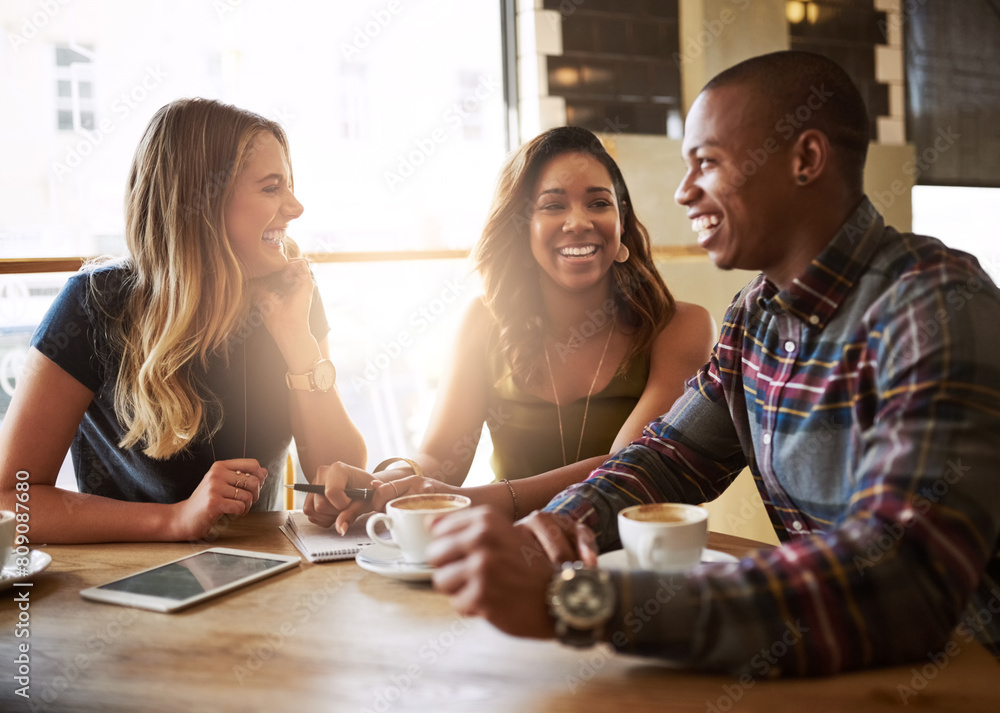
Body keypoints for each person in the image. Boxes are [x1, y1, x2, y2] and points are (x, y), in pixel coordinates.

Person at [424, 51, 1000, 675]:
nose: (683, 191)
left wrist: (585, 601)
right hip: (841, 670)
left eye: (707, 163)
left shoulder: (935, 303)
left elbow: (902, 580)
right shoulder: (754, 317)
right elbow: (663, 462)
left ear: (804, 160)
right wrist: (552, 534)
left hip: (967, 674)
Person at [304, 126, 715, 534]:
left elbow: (630, 472)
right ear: (522, 226)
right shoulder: (484, 322)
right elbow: (440, 460)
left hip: (631, 566)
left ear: (621, 221)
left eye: (599, 203)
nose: (579, 221)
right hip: (505, 560)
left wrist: (482, 500)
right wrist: (378, 483)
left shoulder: (681, 327)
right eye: (553, 206)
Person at [0, 98, 366, 543]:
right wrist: (173, 519)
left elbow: (348, 480)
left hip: (259, 581)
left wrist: (297, 340)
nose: (295, 207)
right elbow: (11, 499)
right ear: (203, 202)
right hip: (128, 586)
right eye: (272, 188)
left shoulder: (289, 294)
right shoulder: (93, 305)